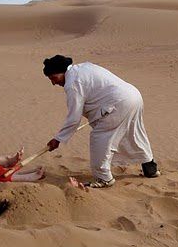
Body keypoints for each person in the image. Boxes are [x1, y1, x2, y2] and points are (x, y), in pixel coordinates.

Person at [43, 54, 160, 188]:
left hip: (119, 103)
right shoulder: (84, 67)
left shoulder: (72, 83)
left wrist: (58, 139)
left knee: (99, 138)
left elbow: (74, 117)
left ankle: (103, 178)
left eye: (54, 78)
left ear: (62, 72)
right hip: (134, 96)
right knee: (134, 133)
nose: (53, 83)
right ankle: (150, 167)